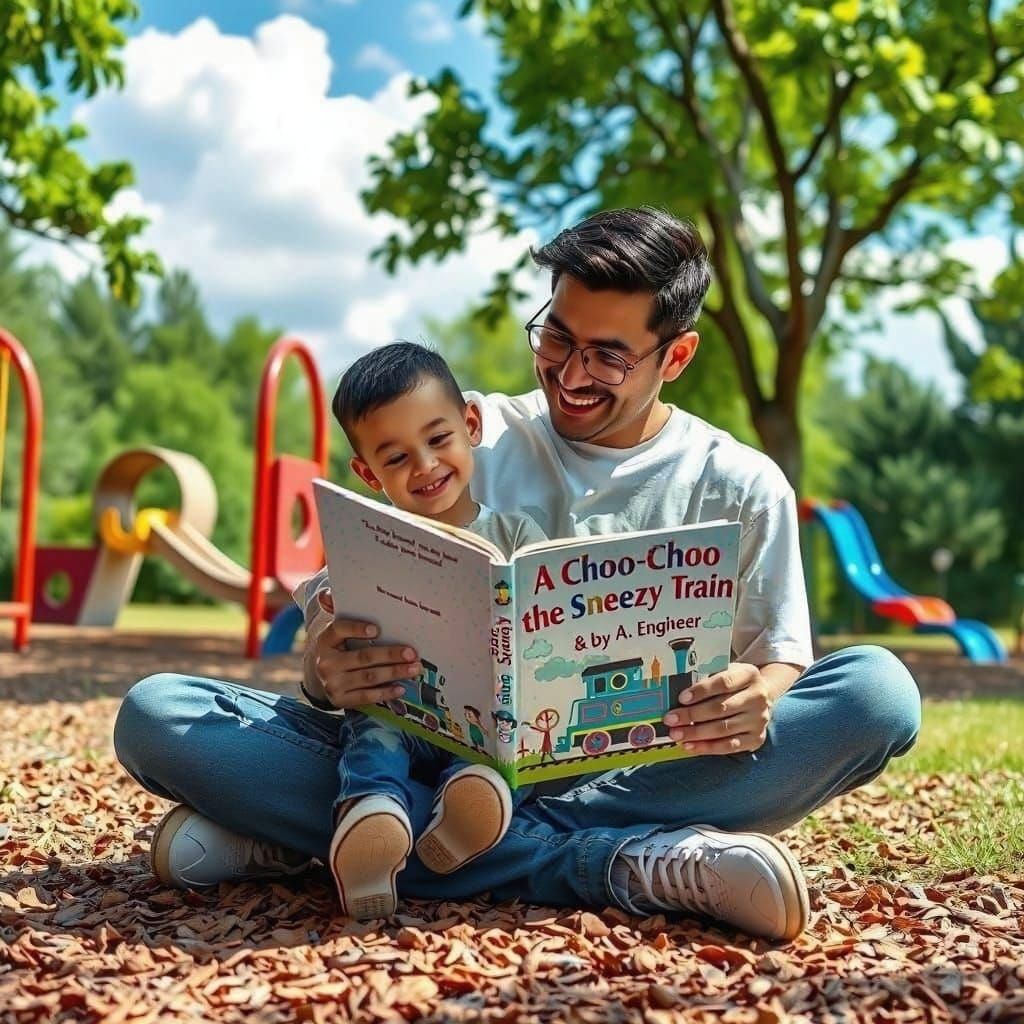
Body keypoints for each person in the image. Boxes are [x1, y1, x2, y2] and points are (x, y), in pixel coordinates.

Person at [114, 207, 921, 942]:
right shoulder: (462, 432)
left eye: (609, 356)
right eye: (557, 337)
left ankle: (328, 840)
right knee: (159, 715)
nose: (570, 375)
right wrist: (326, 668)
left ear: (675, 356)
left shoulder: (740, 484)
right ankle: (629, 865)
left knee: (876, 695)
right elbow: (351, 605)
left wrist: (759, 695)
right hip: (435, 749)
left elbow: (782, 656)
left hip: (637, 769)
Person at [314, 342, 545, 920]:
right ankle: (373, 820)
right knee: (375, 724)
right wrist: (326, 653)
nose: (424, 466)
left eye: (438, 440)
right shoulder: (364, 545)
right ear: (367, 474)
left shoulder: (517, 534)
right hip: (399, 705)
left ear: (470, 425)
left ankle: (465, 815)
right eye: (395, 459)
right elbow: (324, 653)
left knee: (507, 747)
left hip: (486, 725)